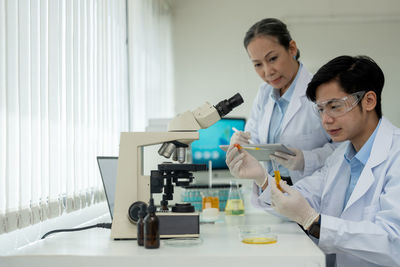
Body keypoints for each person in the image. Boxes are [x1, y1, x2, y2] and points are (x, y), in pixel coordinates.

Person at [256, 55, 400, 266]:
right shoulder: (341, 155)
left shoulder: (395, 155)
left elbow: (393, 241)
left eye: (335, 106)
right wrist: (261, 178)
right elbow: (303, 196)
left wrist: (314, 221)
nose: (326, 120)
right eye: (321, 109)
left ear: (369, 101)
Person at [228, 18, 336, 186]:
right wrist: (243, 143)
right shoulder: (264, 94)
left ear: (292, 48)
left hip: (316, 191)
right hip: (272, 189)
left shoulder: (321, 91)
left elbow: (344, 147)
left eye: (272, 59)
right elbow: (255, 141)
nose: (268, 72)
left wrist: (306, 160)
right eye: (258, 64)